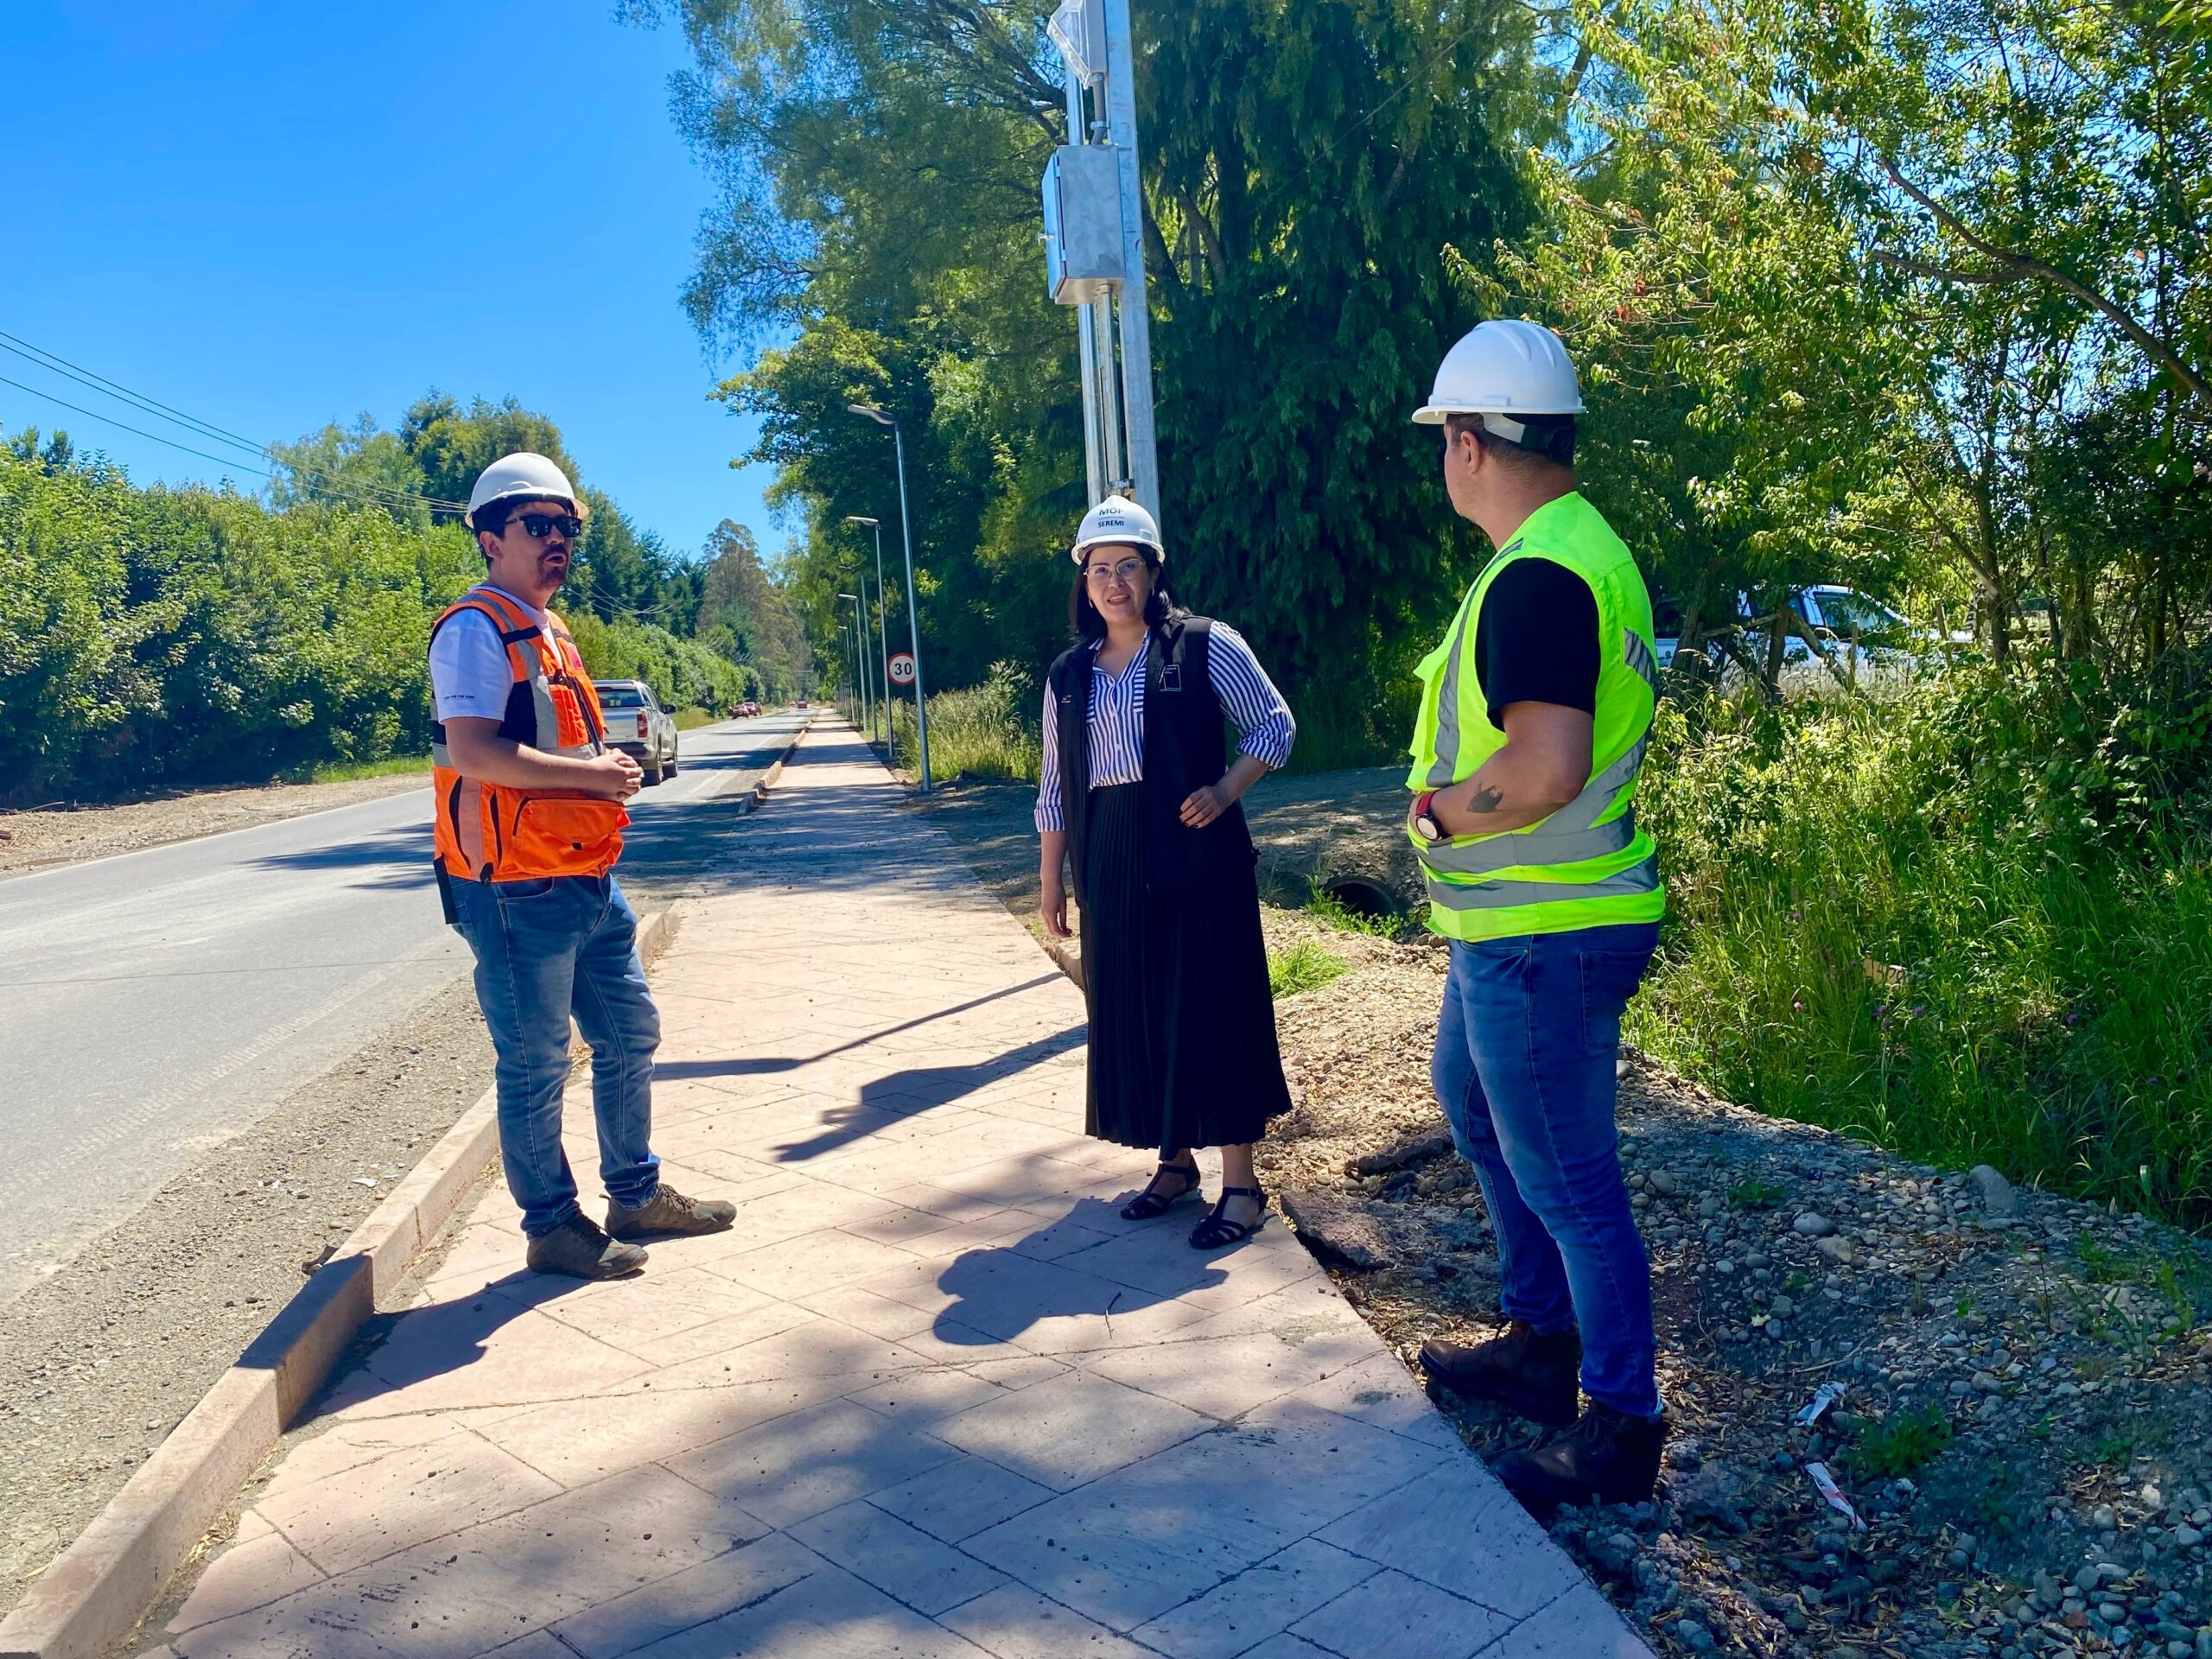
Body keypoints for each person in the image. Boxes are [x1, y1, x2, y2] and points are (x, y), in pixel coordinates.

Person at [1402, 321, 1669, 1505]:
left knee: (1568, 1178)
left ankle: (1620, 1424)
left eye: (1442, 440)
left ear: (1468, 443)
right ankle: (1537, 1345)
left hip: (1543, 933)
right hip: (1511, 932)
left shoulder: (1542, 574)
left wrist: (1444, 816)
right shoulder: (1570, 551)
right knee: (1469, 1105)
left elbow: (1546, 766)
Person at [429, 452, 734, 1280]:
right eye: (538, 525)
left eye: (567, 526)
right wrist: (590, 774)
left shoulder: (552, 631)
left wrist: (606, 766)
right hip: (516, 887)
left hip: (587, 878)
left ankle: (633, 1193)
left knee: (631, 1030)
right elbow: (473, 750)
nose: (558, 539)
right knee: (533, 1061)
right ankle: (552, 1228)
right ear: (490, 538)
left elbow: (555, 739)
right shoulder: (473, 630)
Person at [1036, 498, 1297, 1249]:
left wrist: (1224, 790)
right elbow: (1055, 784)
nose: (1114, 582)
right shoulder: (1068, 675)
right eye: (1099, 570)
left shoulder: (1205, 644)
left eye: (1128, 567)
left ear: (1154, 573)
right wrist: (1053, 880)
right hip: (1109, 855)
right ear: (1084, 583)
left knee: (1210, 1001)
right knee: (1138, 1007)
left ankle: (1242, 1183)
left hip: (1196, 851)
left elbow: (1274, 725)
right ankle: (1175, 1163)